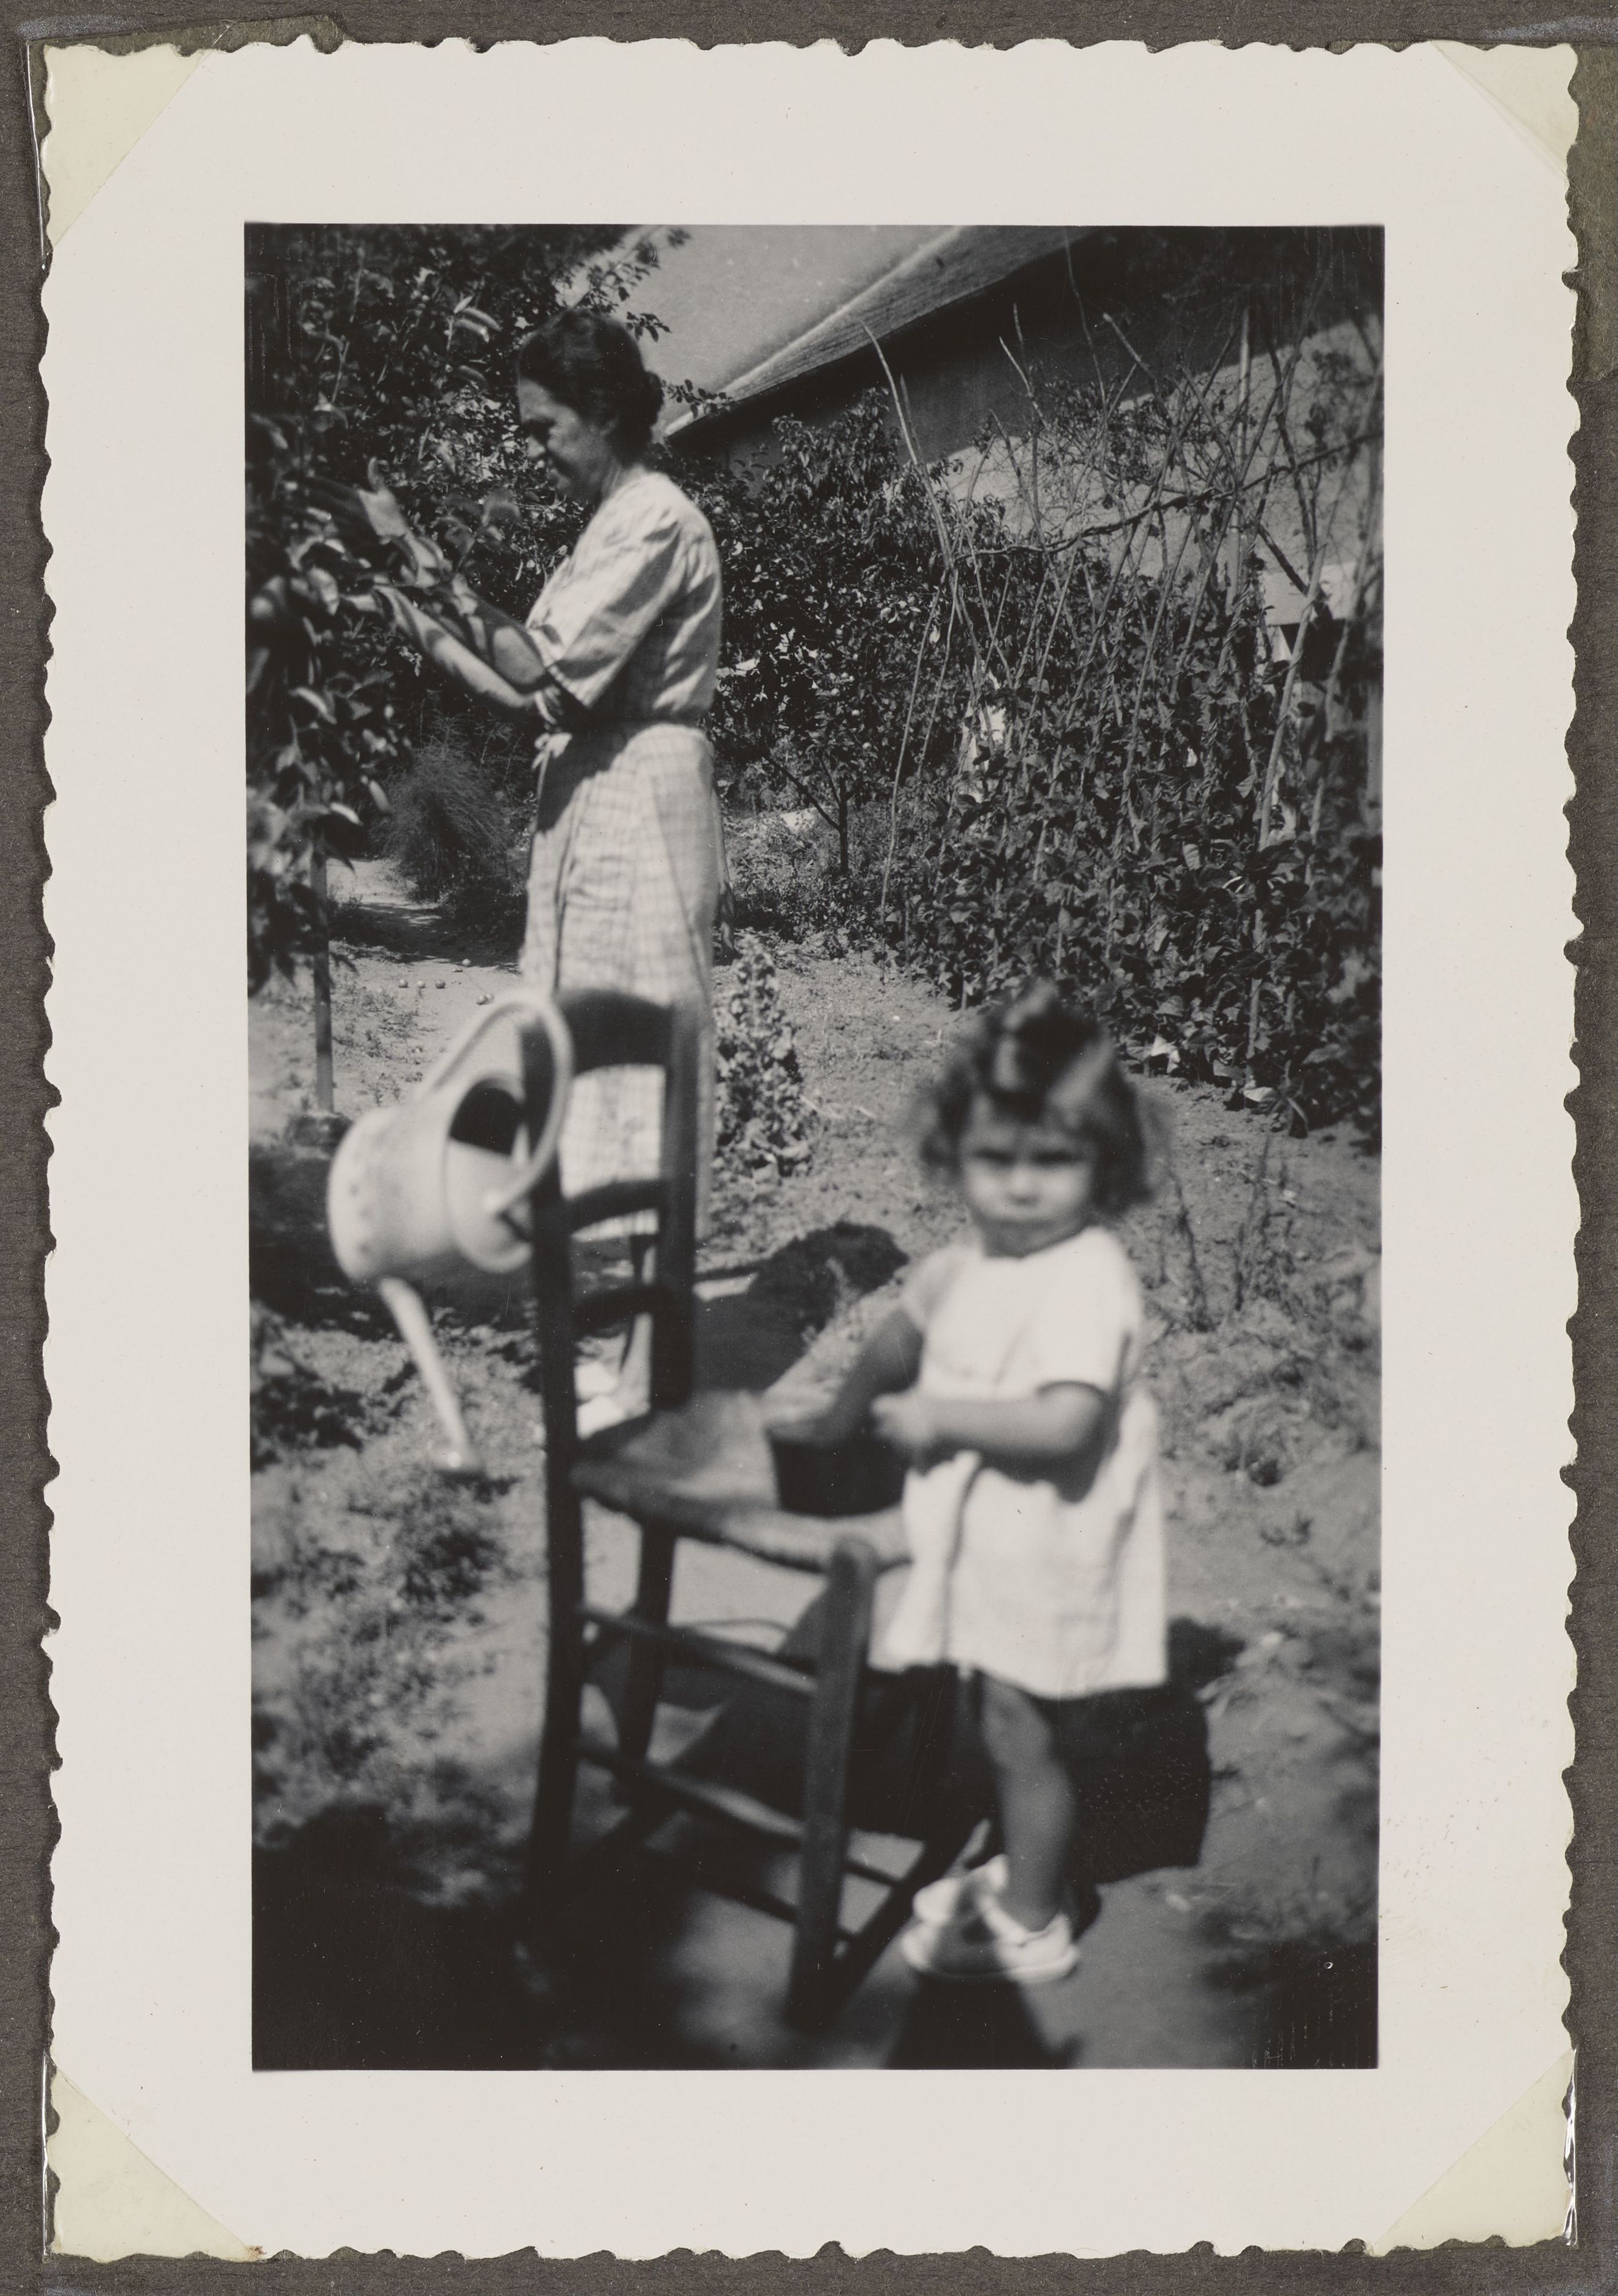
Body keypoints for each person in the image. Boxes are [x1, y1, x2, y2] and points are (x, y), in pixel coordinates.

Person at [314, 310, 724, 1422]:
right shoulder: (605, 528)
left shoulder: (655, 520)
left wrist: (411, 546)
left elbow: (536, 666)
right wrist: (404, 603)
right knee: (581, 1067)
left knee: (638, 1071)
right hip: (594, 795)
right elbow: (521, 693)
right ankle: (631, 1353)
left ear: (602, 412)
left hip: (640, 803)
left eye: (544, 427)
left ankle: (650, 1373)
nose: (534, 447)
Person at [778, 982, 1164, 1986]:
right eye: (996, 1160)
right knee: (1000, 1709)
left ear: (1102, 1163)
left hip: (1055, 1535)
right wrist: (839, 1416)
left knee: (1022, 1727)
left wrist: (941, 1417)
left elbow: (1066, 1419)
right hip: (1001, 1531)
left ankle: (1033, 1918)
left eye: (1053, 1161)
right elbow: (897, 1335)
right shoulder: (970, 1262)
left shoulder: (1085, 1276)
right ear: (957, 1158)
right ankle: (1025, 1868)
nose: (1021, 1187)